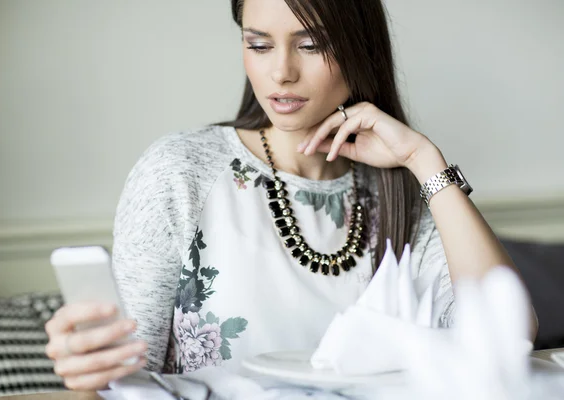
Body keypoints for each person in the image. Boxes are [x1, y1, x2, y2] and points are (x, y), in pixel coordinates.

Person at [44, 0, 538, 391]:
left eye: (311, 44)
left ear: (359, 48)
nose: (281, 72)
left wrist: (424, 160)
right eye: (258, 45)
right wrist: (88, 373)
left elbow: (506, 335)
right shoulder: (178, 171)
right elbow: (124, 379)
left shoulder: (403, 193)